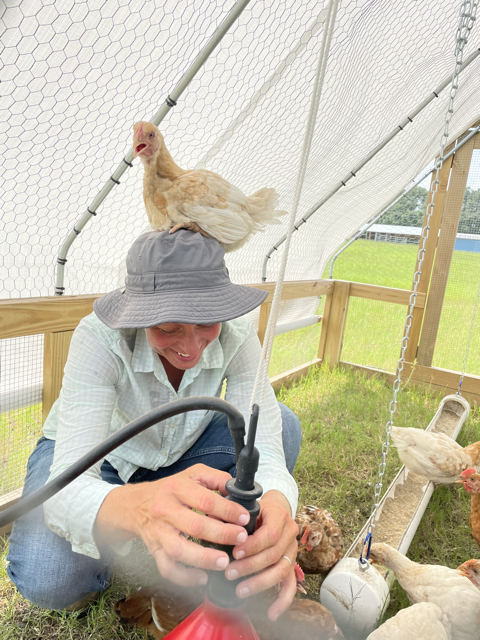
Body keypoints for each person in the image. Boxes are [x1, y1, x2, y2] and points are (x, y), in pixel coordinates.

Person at [7, 230, 302, 622]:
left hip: (184, 453)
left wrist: (279, 503)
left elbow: (263, 443)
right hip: (99, 460)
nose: (191, 346)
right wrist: (136, 509)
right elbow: (68, 487)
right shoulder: (100, 337)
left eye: (206, 323)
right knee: (51, 579)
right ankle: (122, 540)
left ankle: (195, 528)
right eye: (168, 327)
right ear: (139, 314)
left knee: (282, 423)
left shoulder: (239, 332)